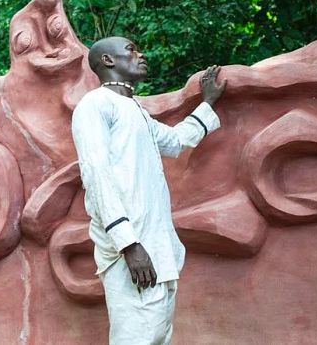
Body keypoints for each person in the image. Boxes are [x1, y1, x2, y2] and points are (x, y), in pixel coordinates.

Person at [71, 36, 226, 344]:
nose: (141, 54)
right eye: (131, 49)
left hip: (158, 248)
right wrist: (129, 245)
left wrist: (207, 103)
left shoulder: (136, 111)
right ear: (107, 60)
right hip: (132, 249)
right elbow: (97, 175)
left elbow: (175, 141)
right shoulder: (95, 105)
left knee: (155, 336)